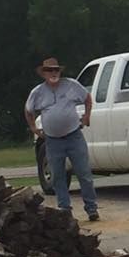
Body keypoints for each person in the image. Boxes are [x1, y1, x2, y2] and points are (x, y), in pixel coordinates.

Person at [24, 56, 100, 222]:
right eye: (49, 70)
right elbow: (29, 110)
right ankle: (65, 210)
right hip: (52, 140)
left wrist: (87, 116)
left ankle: (91, 208)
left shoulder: (71, 85)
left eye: (56, 70)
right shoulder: (37, 92)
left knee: (84, 173)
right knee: (58, 176)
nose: (53, 73)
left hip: (74, 135)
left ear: (60, 71)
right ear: (43, 73)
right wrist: (33, 128)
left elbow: (87, 98)